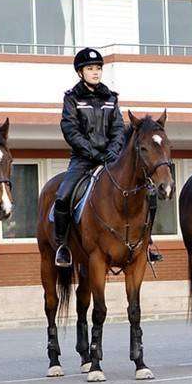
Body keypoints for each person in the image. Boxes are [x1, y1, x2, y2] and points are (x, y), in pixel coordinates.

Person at [54, 48, 125, 267]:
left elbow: (119, 128)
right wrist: (92, 152)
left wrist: (114, 150)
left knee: (141, 190)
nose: (95, 72)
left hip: (111, 158)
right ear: (80, 72)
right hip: (83, 159)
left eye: (98, 68)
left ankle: (146, 243)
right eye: (90, 68)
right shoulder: (72, 98)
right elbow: (70, 129)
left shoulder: (111, 98)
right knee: (63, 196)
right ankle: (62, 246)